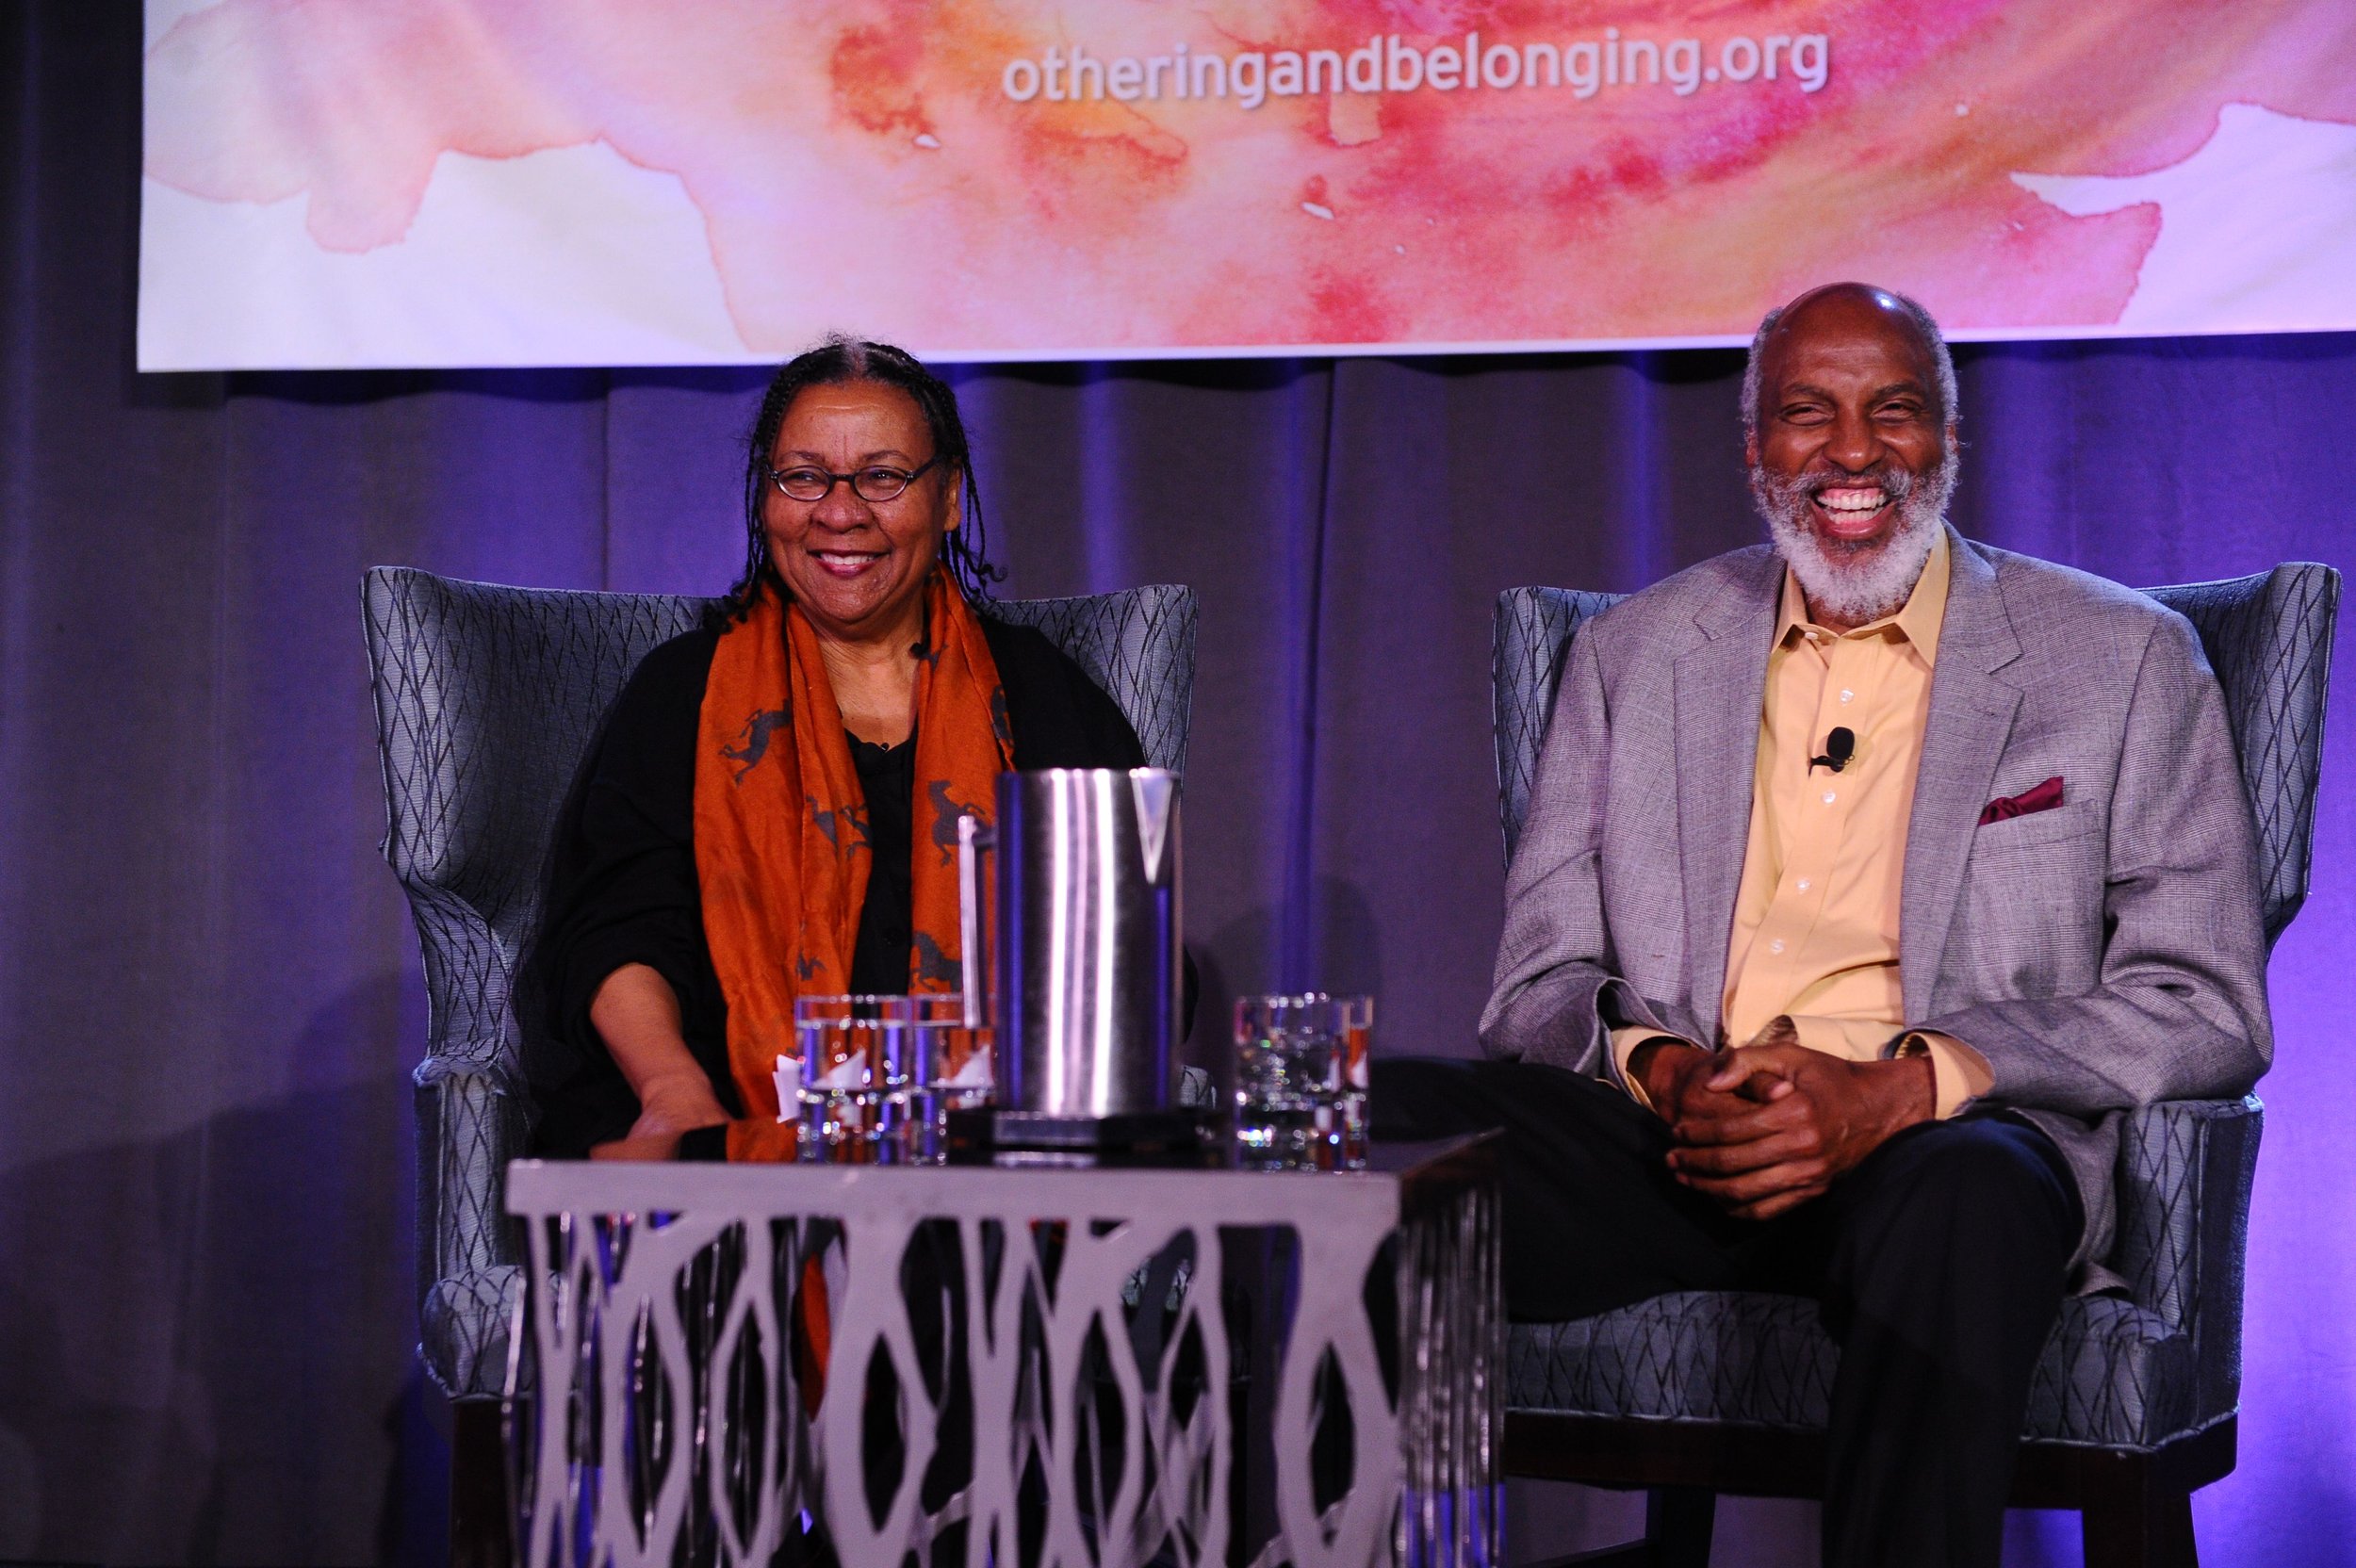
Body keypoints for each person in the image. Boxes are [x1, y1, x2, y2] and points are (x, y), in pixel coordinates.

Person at [1376, 283, 2270, 1566]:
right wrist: (1672, 1072)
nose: (1852, 453)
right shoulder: (1636, 655)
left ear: (1948, 445)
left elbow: (2206, 1005)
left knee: (1967, 1201)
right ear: (1756, 452)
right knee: (1348, 1128)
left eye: (1892, 412)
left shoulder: (2124, 661)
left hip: (1941, 1147)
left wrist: (1893, 1093)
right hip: (1674, 1140)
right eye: (1808, 415)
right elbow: (1539, 979)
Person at [528, 336, 1149, 1162]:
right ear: (766, 499)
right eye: (804, 476)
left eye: (883, 477)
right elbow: (613, 933)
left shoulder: (1045, 700)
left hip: (992, 1147)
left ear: (951, 497)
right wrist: (676, 1095)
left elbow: (1130, 960)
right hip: (726, 1118)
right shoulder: (686, 694)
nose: (840, 511)